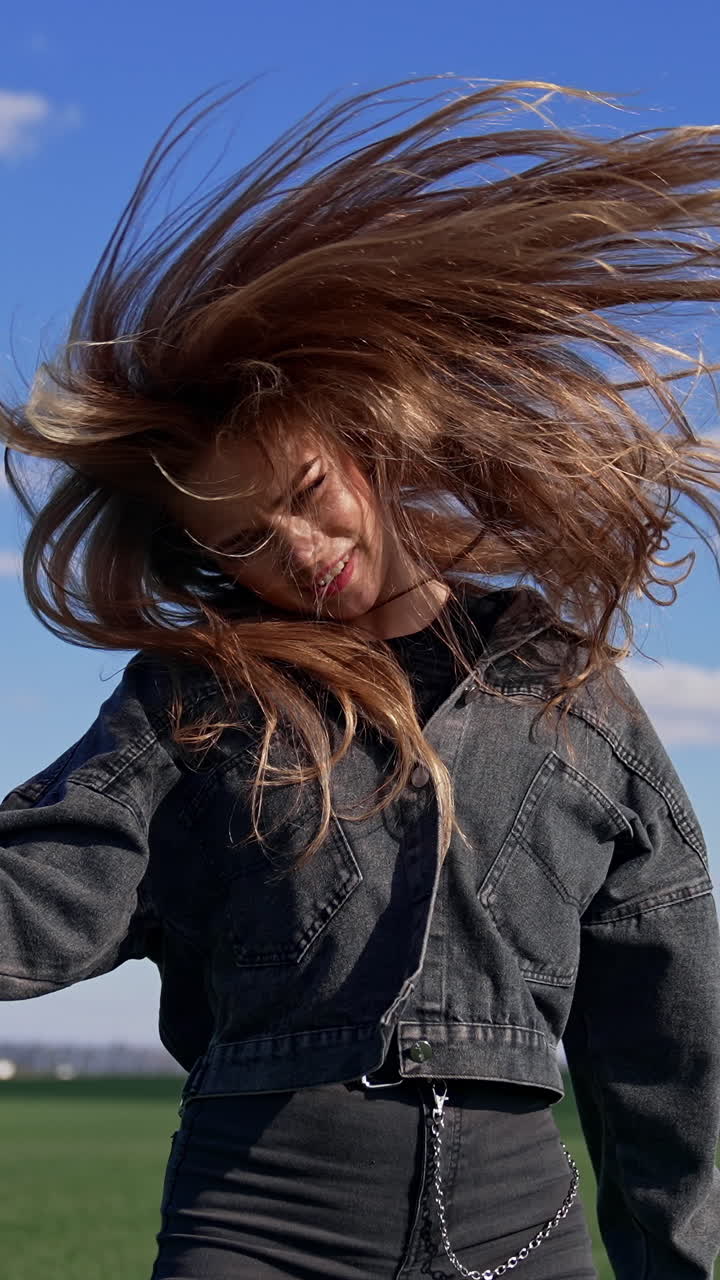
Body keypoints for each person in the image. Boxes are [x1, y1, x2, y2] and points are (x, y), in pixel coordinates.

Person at [1, 74, 719, 1280]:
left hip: (521, 1234)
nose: (300, 551)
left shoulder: (567, 692)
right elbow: (45, 889)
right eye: (244, 540)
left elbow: (674, 1040)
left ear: (370, 444)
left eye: (306, 495)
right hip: (255, 1222)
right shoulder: (199, 694)